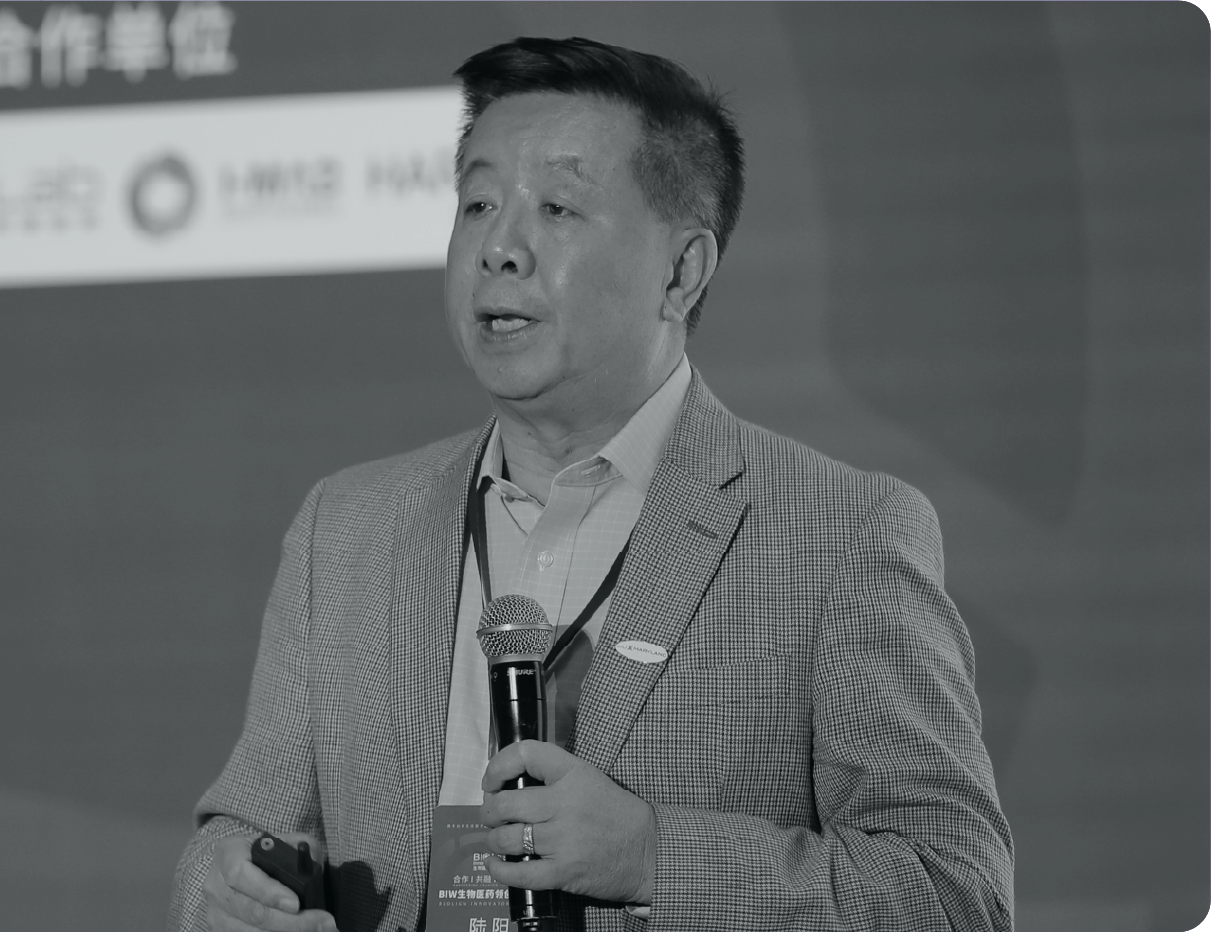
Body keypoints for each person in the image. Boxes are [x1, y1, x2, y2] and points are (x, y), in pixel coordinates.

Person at [169, 37, 1013, 932]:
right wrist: (222, 890)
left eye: (558, 208)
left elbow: (952, 893)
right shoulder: (345, 529)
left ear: (680, 273)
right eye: (478, 203)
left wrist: (651, 856)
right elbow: (241, 833)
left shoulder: (841, 532)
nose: (498, 248)